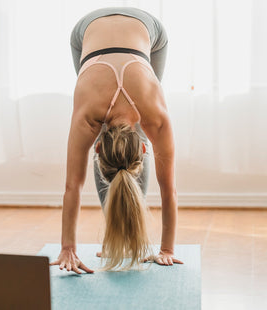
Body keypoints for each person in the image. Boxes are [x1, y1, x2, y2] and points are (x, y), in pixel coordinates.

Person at [50, 7, 183, 273]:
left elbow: (71, 187)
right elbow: (170, 190)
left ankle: (130, 236)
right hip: (86, 32)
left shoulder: (94, 117)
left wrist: (68, 248)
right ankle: (117, 238)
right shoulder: (153, 117)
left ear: (95, 148)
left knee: (125, 128)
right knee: (118, 128)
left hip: (148, 32)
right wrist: (167, 250)